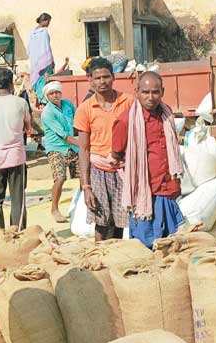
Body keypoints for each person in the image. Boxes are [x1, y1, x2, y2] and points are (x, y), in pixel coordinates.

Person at [112, 72, 184, 248]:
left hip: (166, 188)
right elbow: (116, 153)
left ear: (162, 92)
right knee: (145, 246)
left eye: (155, 92)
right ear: (136, 91)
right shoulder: (126, 120)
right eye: (145, 92)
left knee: (171, 244)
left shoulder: (167, 115)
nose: (150, 97)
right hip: (144, 194)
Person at [75, 57, 133, 241]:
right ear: (90, 80)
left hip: (123, 169)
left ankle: (113, 255)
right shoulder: (85, 109)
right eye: (97, 78)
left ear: (113, 77)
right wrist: (86, 186)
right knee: (101, 221)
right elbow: (83, 149)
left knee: (120, 221)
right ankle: (99, 255)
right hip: (98, 170)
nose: (102, 82)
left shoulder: (128, 102)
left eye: (106, 77)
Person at [0, 67, 31, 232]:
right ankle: (19, 233)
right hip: (16, 156)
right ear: (12, 83)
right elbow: (28, 127)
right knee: (17, 198)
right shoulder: (21, 102)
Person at [40, 81, 79, 223]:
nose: (55, 95)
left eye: (57, 92)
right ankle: (54, 209)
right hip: (56, 148)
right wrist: (84, 143)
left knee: (85, 177)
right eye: (51, 93)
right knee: (60, 178)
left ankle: (83, 206)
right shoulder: (47, 113)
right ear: (47, 96)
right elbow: (63, 135)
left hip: (73, 147)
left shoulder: (68, 105)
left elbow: (78, 121)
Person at [28, 12, 55, 101]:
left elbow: (29, 49)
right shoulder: (44, 32)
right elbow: (46, 47)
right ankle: (45, 100)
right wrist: (51, 61)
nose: (49, 24)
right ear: (44, 21)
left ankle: (40, 100)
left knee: (38, 81)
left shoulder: (32, 33)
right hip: (45, 62)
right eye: (48, 21)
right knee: (46, 81)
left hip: (35, 62)